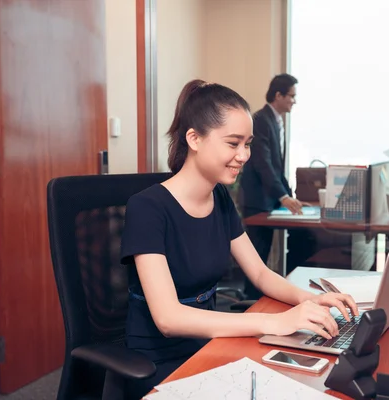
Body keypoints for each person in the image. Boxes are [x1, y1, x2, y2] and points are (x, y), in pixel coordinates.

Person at [120, 79, 358, 394]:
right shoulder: (148, 208)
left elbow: (259, 273)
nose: (244, 155)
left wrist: (311, 300)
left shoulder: (219, 198)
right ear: (194, 139)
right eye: (233, 143)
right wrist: (273, 322)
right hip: (157, 361)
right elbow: (168, 317)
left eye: (247, 144)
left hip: (210, 343)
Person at [239, 73, 304, 299]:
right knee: (256, 256)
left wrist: (288, 195)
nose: (294, 101)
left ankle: (257, 298)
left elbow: (277, 167)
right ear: (278, 95)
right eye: (292, 96)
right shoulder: (260, 120)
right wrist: (284, 197)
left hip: (268, 199)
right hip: (257, 199)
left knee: (263, 254)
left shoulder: (275, 121)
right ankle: (249, 302)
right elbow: (263, 164)